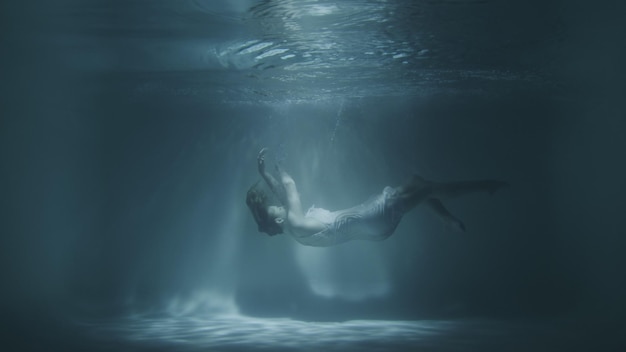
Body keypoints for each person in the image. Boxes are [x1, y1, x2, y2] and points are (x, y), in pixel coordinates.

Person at [246, 148, 507, 247]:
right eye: (275, 209)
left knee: (417, 184)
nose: (278, 205)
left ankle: (447, 219)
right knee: (426, 188)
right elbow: (290, 187)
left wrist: (265, 173)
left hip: (373, 226)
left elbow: (284, 196)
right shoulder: (295, 222)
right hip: (373, 216)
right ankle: (484, 186)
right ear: (279, 221)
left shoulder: (294, 228)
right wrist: (280, 168)